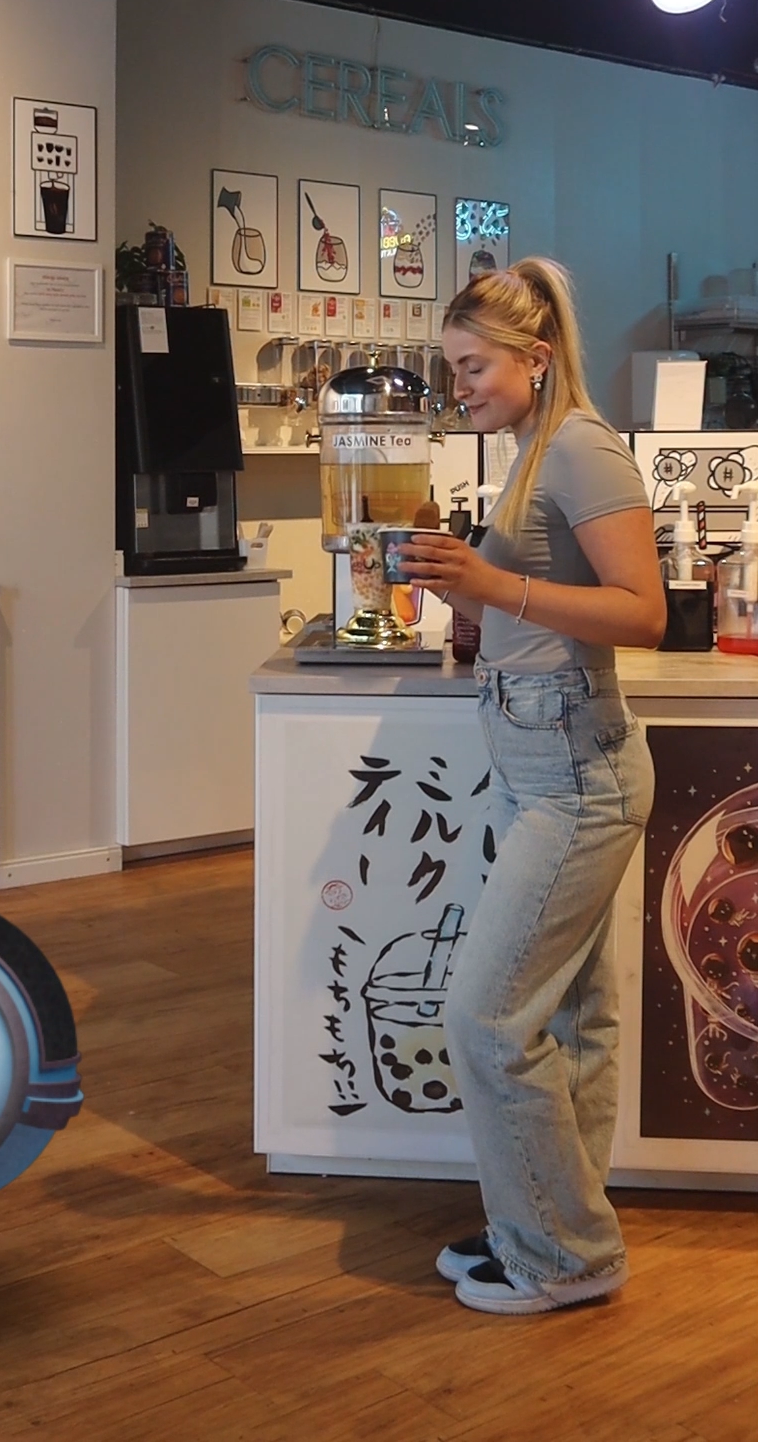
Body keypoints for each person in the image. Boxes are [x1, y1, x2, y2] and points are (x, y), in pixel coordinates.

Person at [401, 257, 666, 1317]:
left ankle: (566, 1257)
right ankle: (546, 1223)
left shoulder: (583, 451)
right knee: (572, 1018)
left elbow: (641, 612)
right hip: (533, 756)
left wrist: (494, 584)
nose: (458, 384)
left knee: (488, 1017)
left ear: (536, 358)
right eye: (453, 366)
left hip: (577, 773)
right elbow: (550, 602)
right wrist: (485, 618)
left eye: (473, 365)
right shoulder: (528, 452)